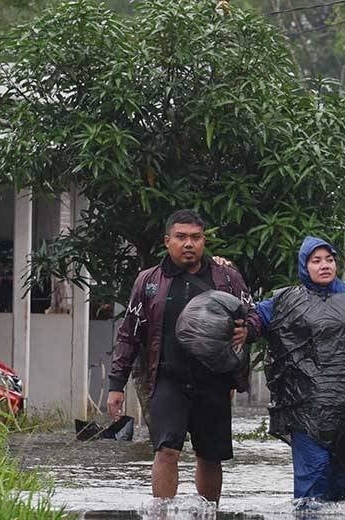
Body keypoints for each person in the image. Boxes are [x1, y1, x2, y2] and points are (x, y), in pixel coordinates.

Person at [107, 209, 254, 504]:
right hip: (167, 379)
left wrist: (247, 330)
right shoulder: (148, 282)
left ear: (204, 241)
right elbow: (129, 333)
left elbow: (254, 313)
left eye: (196, 238)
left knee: (210, 455)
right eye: (181, 237)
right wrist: (115, 384)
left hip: (214, 380)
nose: (189, 244)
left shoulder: (227, 277)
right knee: (166, 450)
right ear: (167, 241)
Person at [246, 236, 345, 502]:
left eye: (329, 260)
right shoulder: (285, 300)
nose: (324, 266)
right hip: (305, 407)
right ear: (304, 265)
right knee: (314, 478)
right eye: (316, 261)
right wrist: (241, 324)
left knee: (341, 482)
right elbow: (255, 320)